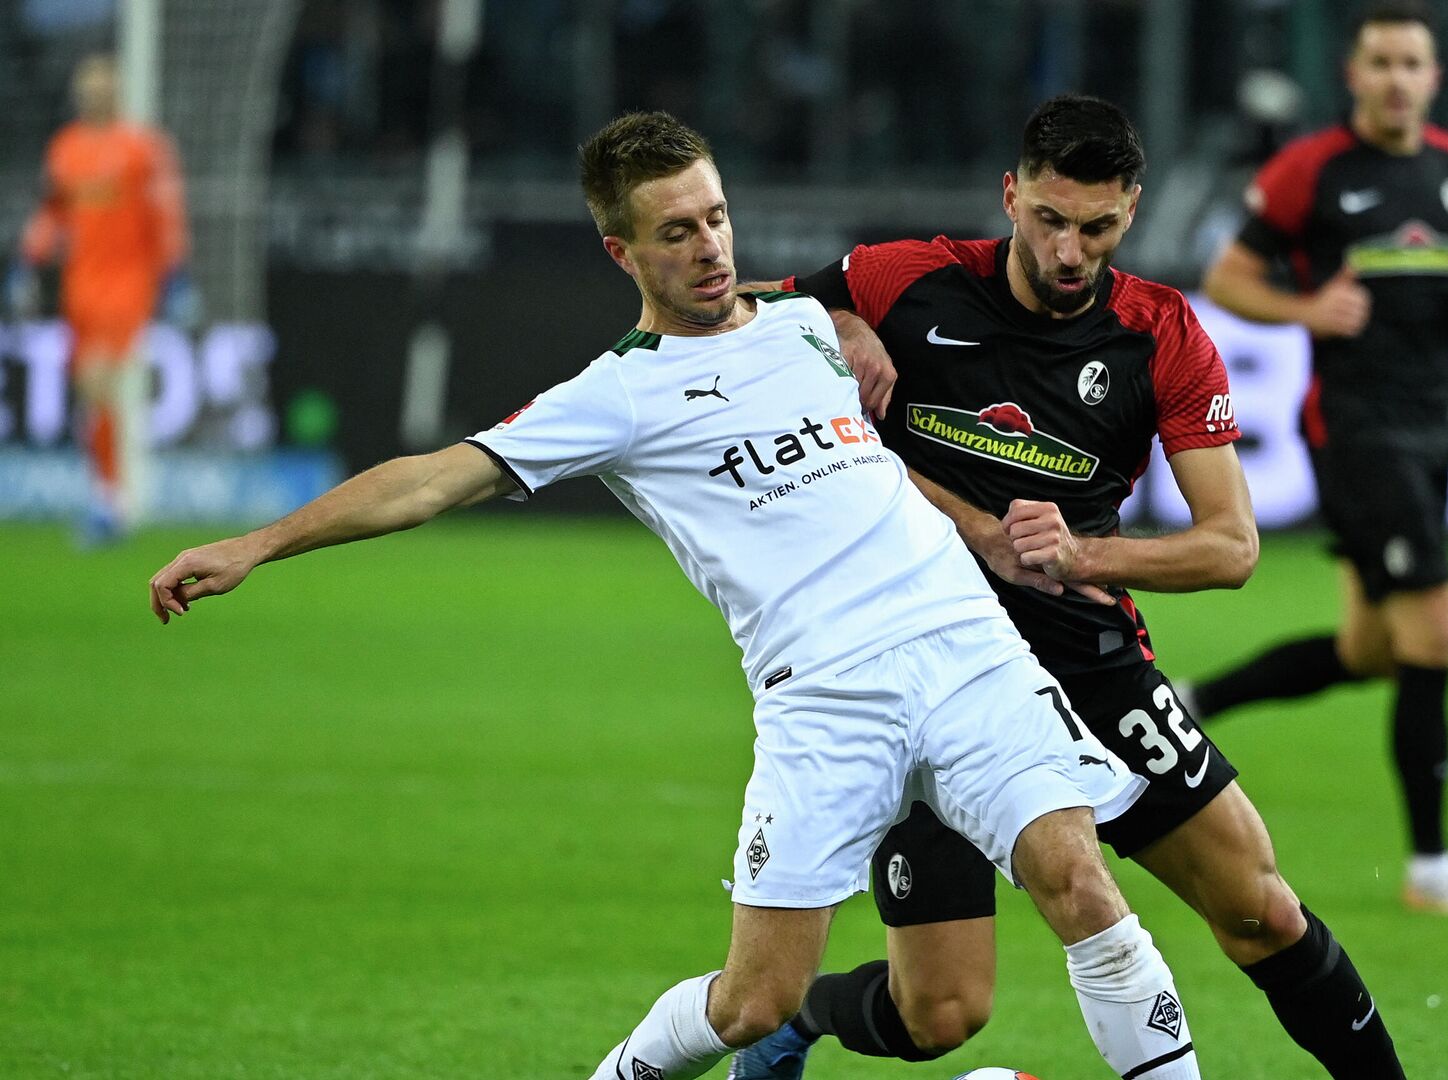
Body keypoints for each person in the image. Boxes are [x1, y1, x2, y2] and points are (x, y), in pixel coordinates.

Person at [146, 111, 1204, 1080]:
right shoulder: (619, 395)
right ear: (623, 252)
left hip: (969, 647)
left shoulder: (803, 325)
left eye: (718, 218)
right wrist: (259, 542)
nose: (709, 248)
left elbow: (864, 315)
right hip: (827, 699)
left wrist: (848, 324)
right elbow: (433, 478)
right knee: (756, 1001)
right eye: (676, 233)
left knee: (1083, 890)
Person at [732, 95, 1403, 1080]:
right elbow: (721, 315)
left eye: (1096, 227)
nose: (1068, 250)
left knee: (1259, 906)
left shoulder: (1159, 333)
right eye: (1048, 220)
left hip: (1083, 660)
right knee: (943, 1015)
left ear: (1129, 212)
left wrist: (1083, 558)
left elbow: (1231, 547)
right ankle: (806, 1022)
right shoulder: (902, 282)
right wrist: (831, 321)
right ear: (1011, 197)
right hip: (922, 671)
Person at [1182, 2, 1448, 917]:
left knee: (1371, 651)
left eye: (1411, 62)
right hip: (1355, 429)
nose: (1395, 78)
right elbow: (1227, 277)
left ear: (1434, 78)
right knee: (1438, 631)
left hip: (1433, 427)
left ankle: (1195, 695)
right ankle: (1432, 868)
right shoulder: (1312, 171)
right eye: (1379, 61)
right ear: (1355, 74)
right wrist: (1305, 312)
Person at [9, 54, 194, 544]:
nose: (94, 96)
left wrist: (175, 275)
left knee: (97, 379)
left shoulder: (142, 148)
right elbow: (51, 212)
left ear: (116, 92)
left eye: (103, 88)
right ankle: (108, 496)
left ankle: (109, 501)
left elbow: (165, 212)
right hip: (80, 285)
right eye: (87, 89)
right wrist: (28, 263)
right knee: (93, 395)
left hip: (129, 281)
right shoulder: (64, 148)